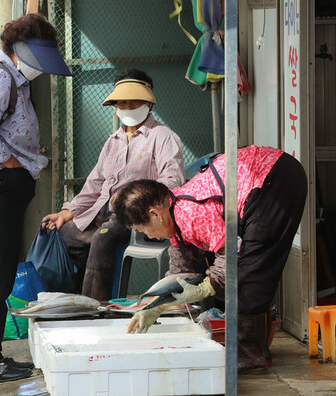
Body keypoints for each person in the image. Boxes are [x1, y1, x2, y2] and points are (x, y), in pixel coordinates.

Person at [111, 145, 307, 373]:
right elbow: (182, 274)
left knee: (249, 275)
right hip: (264, 179)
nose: (148, 235)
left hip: (274, 178)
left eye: (142, 229)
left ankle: (248, 359)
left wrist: (208, 285)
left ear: (156, 214)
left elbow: (231, 253)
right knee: (242, 274)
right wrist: (155, 305)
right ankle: (254, 352)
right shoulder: (175, 215)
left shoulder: (189, 214)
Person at [0, 13, 72, 383]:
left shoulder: (17, 80)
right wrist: (9, 163)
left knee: (3, 273)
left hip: (5, 187)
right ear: (19, 50)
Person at [41, 70, 185, 301]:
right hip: (100, 210)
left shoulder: (163, 136)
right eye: (122, 101)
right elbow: (94, 184)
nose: (127, 106)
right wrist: (66, 213)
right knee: (66, 235)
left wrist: (135, 197)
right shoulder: (112, 140)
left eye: (133, 100)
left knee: (102, 238)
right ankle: (67, 304)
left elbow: (173, 181)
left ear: (148, 101)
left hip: (133, 214)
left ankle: (94, 306)